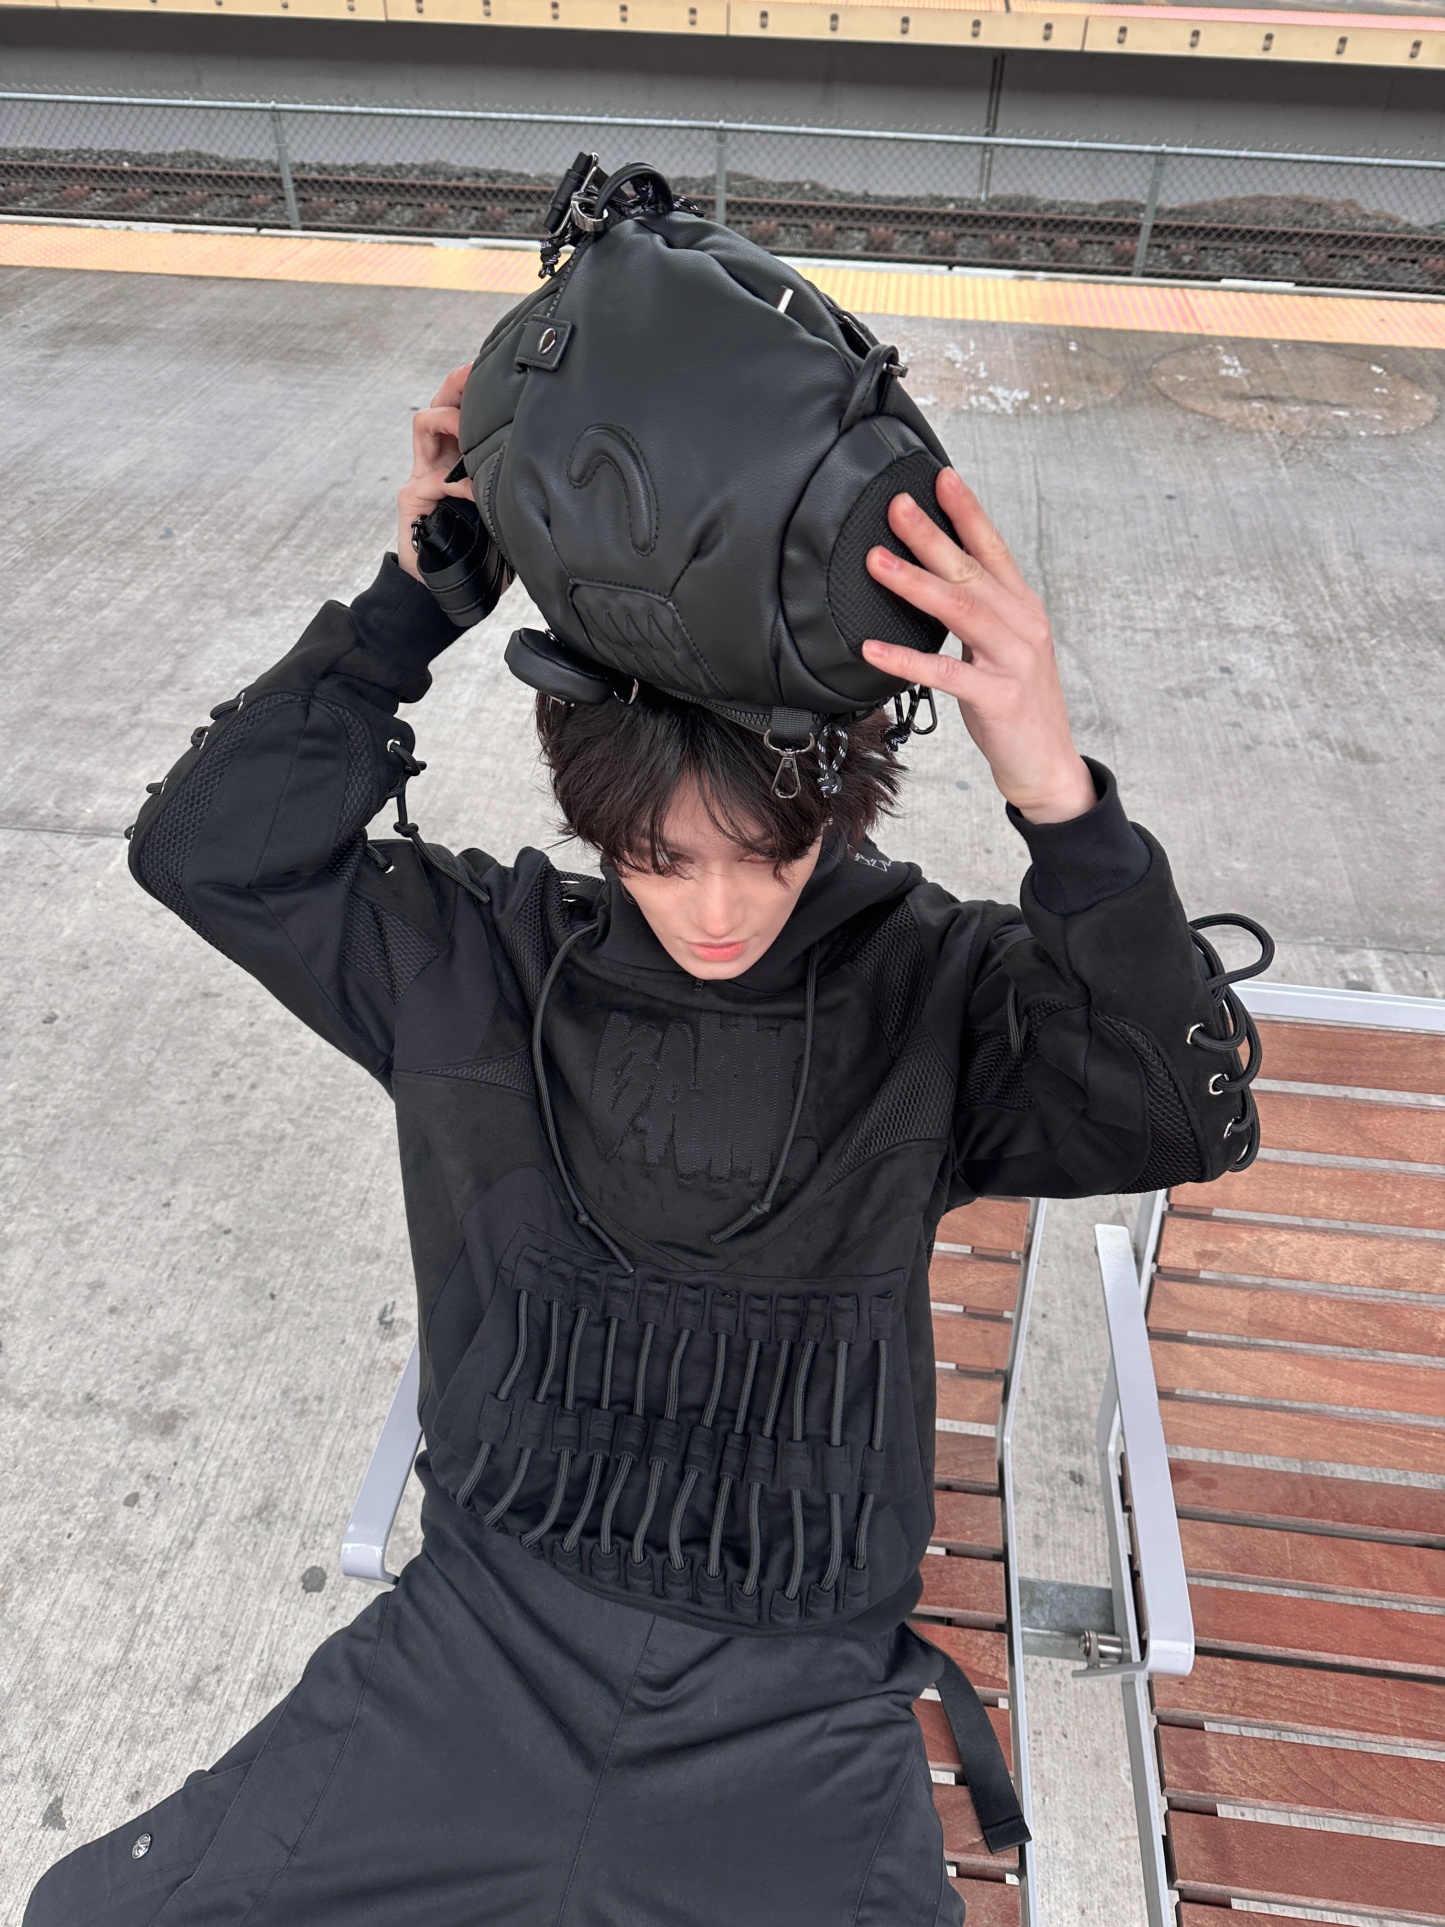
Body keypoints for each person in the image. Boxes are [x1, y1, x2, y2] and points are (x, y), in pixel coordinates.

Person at [26, 364, 1262, 1927]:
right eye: (659, 859)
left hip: (798, 1696)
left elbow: (1180, 1108)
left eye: (769, 853)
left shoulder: (930, 989)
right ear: (592, 822)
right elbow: (209, 853)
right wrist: (411, 608)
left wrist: (1054, 789)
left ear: (840, 812)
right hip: (485, 1640)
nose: (718, 910)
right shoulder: (474, 964)